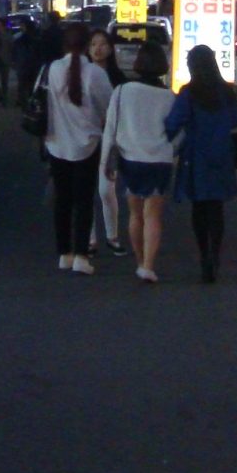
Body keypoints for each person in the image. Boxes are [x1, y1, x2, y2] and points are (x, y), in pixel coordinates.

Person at [38, 22, 114, 274]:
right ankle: (82, 254)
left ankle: (64, 253)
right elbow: (108, 107)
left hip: (57, 143)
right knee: (84, 201)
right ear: (86, 46)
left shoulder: (52, 69)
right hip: (88, 144)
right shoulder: (95, 74)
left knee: (62, 201)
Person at [101, 41, 177, 281]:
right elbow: (179, 131)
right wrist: (170, 149)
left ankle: (139, 259)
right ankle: (148, 265)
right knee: (153, 214)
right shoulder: (169, 97)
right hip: (160, 160)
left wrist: (105, 162)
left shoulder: (123, 91)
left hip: (130, 158)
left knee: (135, 213)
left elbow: (110, 128)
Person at [166, 44, 237, 283]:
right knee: (216, 208)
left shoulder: (189, 92)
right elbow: (234, 121)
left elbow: (173, 123)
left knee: (199, 208)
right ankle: (215, 254)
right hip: (221, 155)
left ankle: (203, 255)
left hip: (196, 155)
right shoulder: (227, 92)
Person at [86, 27, 127, 251]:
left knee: (106, 189)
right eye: (93, 44)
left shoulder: (118, 78)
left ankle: (112, 236)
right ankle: (91, 238)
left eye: (102, 44)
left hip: (110, 140)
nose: (98, 49)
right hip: (87, 138)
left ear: (110, 49)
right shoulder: (83, 75)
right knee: (87, 190)